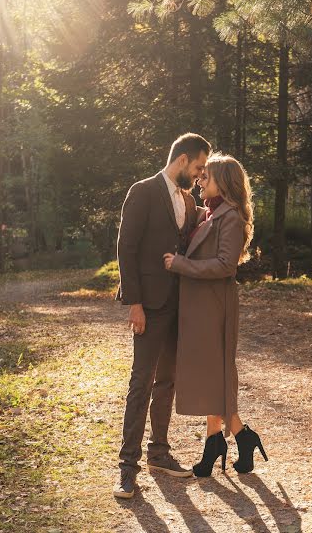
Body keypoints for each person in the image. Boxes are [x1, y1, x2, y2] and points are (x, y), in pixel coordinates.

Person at [113, 133, 211, 499]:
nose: (200, 174)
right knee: (141, 383)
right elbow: (127, 247)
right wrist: (134, 303)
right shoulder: (142, 191)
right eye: (199, 167)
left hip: (178, 305)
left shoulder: (187, 198)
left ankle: (159, 453)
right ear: (183, 160)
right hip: (149, 306)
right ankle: (127, 469)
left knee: (167, 382)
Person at [163, 153, 268, 477]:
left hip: (215, 306)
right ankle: (237, 437)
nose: (199, 181)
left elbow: (226, 265)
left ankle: (218, 443)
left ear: (221, 181)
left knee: (217, 374)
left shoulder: (231, 218)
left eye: (205, 177)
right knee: (211, 376)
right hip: (199, 306)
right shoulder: (208, 214)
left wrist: (180, 265)